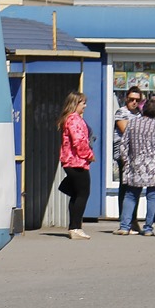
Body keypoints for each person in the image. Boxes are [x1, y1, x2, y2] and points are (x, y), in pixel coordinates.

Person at [118, 98, 155, 237]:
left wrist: (127, 161)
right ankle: (148, 228)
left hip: (136, 165)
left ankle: (124, 226)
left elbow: (123, 145)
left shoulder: (132, 124)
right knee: (152, 197)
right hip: (154, 167)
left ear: (143, 109)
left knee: (130, 195)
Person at [57, 91, 95, 240]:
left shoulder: (72, 119)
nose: (85, 106)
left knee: (76, 194)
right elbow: (78, 141)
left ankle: (74, 226)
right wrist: (89, 155)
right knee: (83, 194)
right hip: (76, 162)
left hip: (72, 161)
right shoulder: (74, 119)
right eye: (83, 103)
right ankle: (75, 227)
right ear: (75, 104)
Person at [113, 86, 145, 234]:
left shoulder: (140, 114)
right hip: (124, 155)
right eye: (131, 99)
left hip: (138, 155)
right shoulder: (121, 112)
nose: (134, 102)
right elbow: (126, 130)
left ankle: (133, 219)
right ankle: (124, 221)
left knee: (136, 187)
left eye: (137, 100)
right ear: (126, 98)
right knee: (125, 187)